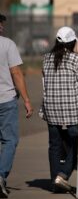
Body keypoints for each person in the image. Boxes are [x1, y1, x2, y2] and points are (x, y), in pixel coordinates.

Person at [41, 26, 78, 192]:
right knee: (77, 143)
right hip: (71, 107)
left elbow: (44, 84)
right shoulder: (75, 59)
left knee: (55, 145)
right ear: (72, 42)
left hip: (51, 105)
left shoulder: (46, 58)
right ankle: (63, 175)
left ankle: (55, 181)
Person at [0, 13, 33, 198]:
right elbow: (17, 73)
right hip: (5, 100)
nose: (2, 27)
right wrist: (27, 100)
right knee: (9, 140)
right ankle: (0, 175)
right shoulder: (7, 44)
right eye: (0, 24)